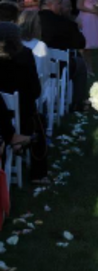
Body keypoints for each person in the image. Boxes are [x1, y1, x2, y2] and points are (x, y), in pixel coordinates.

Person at [0, 22, 48, 184]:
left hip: (3, 119)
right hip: (23, 116)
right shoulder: (25, 55)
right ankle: (38, 174)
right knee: (40, 121)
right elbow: (35, 91)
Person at [39, 0, 88, 112]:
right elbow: (80, 43)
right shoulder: (66, 23)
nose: (62, 6)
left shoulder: (30, 19)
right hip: (58, 67)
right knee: (80, 63)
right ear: (49, 5)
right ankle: (78, 101)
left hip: (35, 66)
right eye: (59, 3)